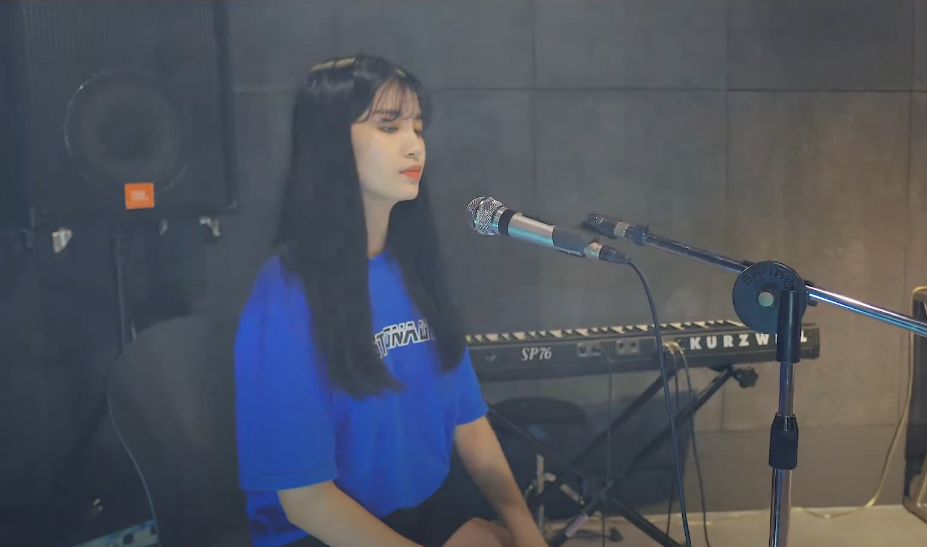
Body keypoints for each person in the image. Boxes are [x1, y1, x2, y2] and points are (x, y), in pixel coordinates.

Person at [233, 54, 549, 547]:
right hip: (319, 530)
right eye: (389, 126)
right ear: (330, 142)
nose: (414, 144)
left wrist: (526, 530)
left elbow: (469, 422)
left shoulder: (412, 269)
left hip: (411, 511)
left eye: (417, 128)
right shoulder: (287, 294)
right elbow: (307, 501)